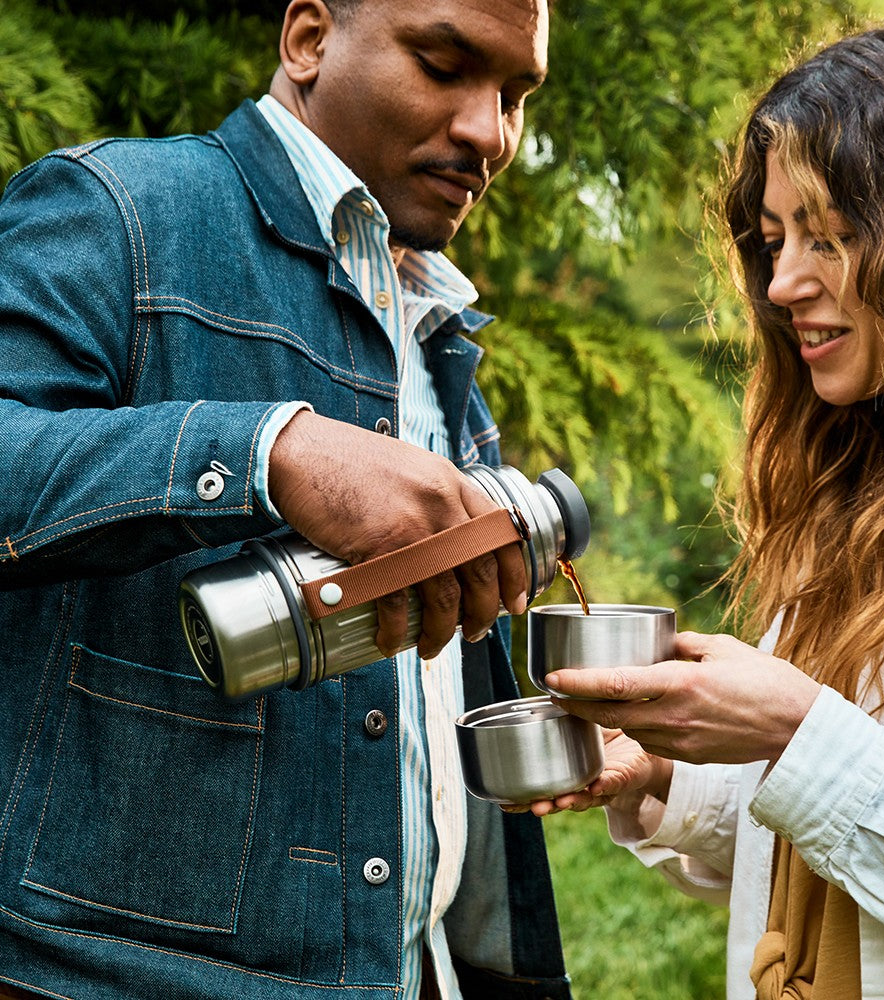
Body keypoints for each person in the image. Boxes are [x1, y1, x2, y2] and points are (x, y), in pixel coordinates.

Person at [0, 1, 572, 998]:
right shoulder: (119, 210)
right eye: (444, 65)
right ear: (308, 39)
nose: (490, 131)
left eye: (515, 94)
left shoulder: (438, 325)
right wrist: (268, 450)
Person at [516, 10, 884, 1000]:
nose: (780, 283)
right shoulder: (861, 503)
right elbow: (833, 851)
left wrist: (794, 727)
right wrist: (666, 778)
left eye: (827, 236)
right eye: (773, 239)